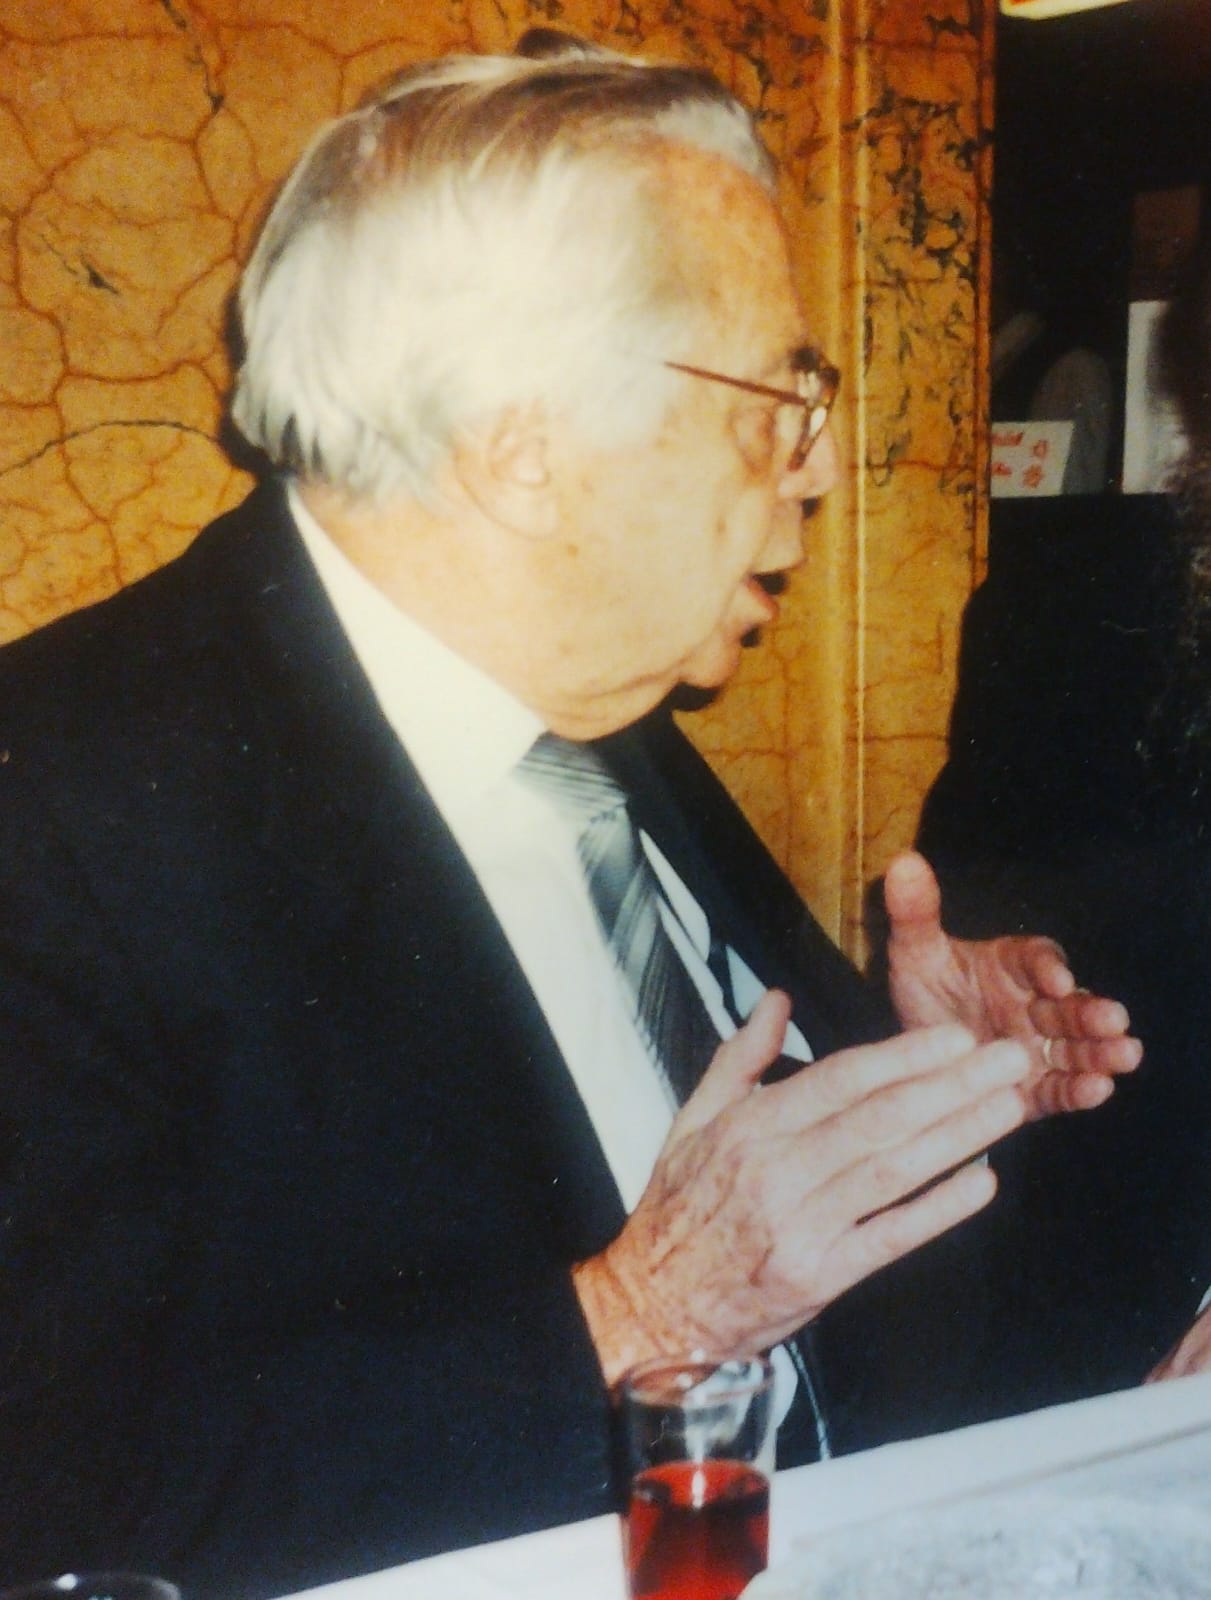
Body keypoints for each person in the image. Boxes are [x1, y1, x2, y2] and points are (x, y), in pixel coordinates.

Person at [0, 35, 1139, 1600]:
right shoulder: (56, 806)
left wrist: (910, 1073)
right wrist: (632, 1314)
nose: (819, 468)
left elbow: (830, 1354)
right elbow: (59, 1498)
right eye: (780, 396)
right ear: (525, 451)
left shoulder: (601, 717)